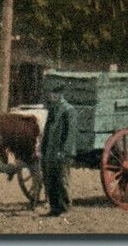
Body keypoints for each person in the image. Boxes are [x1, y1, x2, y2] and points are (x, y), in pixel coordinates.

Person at [41, 89, 77, 217]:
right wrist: (43, 149)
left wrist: (65, 151)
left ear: (60, 95)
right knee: (50, 179)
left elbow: (70, 134)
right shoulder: (52, 110)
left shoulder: (69, 110)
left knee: (62, 179)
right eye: (51, 94)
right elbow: (46, 132)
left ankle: (65, 207)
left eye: (54, 94)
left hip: (62, 153)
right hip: (50, 152)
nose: (51, 96)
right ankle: (54, 208)